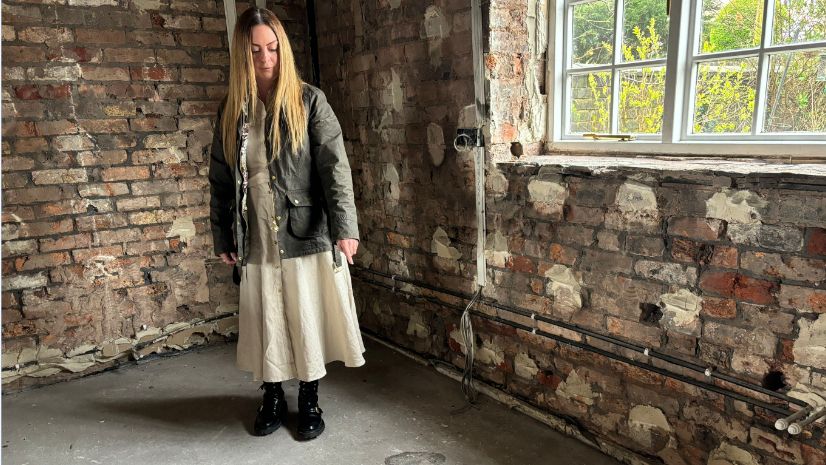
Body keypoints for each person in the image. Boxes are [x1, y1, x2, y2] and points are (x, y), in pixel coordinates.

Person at [208, 7, 366, 440]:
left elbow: (335, 168)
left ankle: (309, 397)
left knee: (305, 314)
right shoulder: (231, 110)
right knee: (267, 315)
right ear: (242, 53)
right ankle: (273, 393)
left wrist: (345, 228)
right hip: (254, 229)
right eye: (255, 49)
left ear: (284, 48)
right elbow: (220, 179)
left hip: (304, 228)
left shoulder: (308, 100)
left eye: (273, 48)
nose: (265, 58)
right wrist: (223, 233)